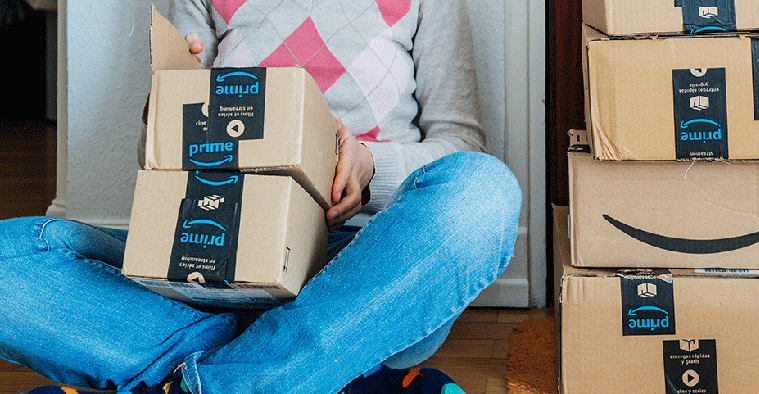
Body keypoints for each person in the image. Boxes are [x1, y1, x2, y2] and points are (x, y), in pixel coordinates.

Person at [0, 0, 522, 393]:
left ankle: (226, 375)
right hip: (214, 257)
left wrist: (369, 167)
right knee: (9, 257)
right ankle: (307, 373)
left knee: (484, 191)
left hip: (362, 270)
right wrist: (164, 116)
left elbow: (458, 146)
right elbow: (159, 162)